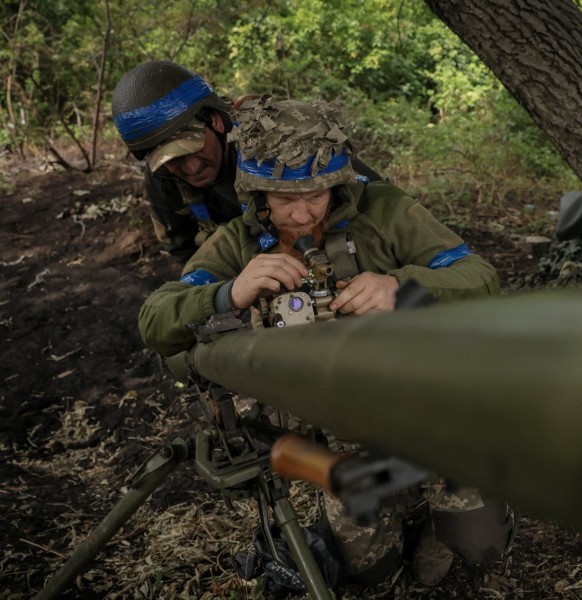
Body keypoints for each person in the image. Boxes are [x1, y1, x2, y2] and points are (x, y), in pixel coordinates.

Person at [138, 96, 515, 587]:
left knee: (475, 549)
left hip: (431, 409)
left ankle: (450, 499)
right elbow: (155, 320)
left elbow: (480, 276)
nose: (300, 214)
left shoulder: (384, 211)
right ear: (256, 195)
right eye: (283, 200)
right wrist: (228, 291)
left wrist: (400, 286)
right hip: (346, 432)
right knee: (367, 572)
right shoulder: (238, 242)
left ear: (337, 184)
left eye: (315, 196)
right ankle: (394, 496)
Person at [110, 60, 382, 263]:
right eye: (173, 161)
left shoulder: (273, 138)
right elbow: (183, 250)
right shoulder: (164, 175)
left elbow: (376, 197)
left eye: (194, 149)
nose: (190, 169)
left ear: (215, 121)